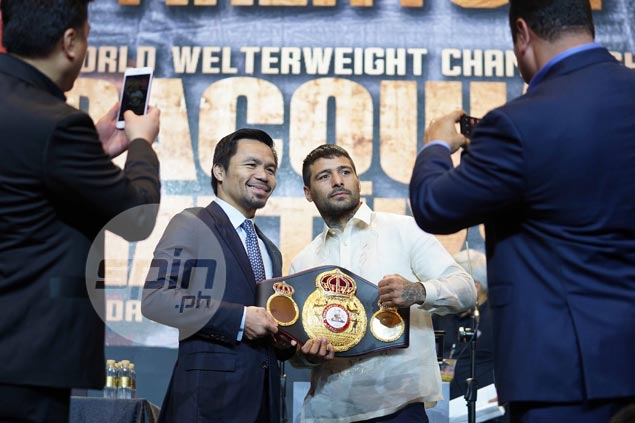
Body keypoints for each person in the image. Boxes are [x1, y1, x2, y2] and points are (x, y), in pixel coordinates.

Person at [409, 0, 635, 421]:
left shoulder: (518, 123)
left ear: (522, 34)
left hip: (564, 377)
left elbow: (433, 206)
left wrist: (435, 145)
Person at [0, 1, 161, 422]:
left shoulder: (42, 122)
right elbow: (136, 217)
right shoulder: (57, 124)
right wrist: (141, 143)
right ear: (70, 41)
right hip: (25, 360)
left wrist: (93, 150)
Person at [290, 144, 476, 423]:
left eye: (345, 172)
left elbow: (466, 289)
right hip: (327, 412)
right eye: (324, 176)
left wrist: (418, 291)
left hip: (398, 409)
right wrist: (309, 356)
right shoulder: (303, 262)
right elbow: (297, 354)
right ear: (308, 193)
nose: (338, 181)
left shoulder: (405, 230)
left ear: (357, 180)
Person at [142, 128, 293, 423]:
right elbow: (156, 298)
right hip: (208, 405)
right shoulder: (192, 222)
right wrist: (239, 319)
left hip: (266, 406)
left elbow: (266, 327)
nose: (263, 175)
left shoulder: (270, 249)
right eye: (251, 165)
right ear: (219, 171)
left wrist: (283, 340)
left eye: (271, 169)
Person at [432, 249, 495, 401]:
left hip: (486, 405)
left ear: (475, 287)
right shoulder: (441, 316)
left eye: (453, 287)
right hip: (446, 405)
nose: (447, 292)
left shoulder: (498, 319)